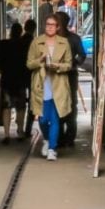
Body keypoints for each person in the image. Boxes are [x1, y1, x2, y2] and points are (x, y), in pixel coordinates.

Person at [27, 13, 72, 161]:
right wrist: (40, 61)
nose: (50, 27)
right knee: (43, 119)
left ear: (58, 27)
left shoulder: (64, 43)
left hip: (58, 86)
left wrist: (57, 66)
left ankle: (52, 148)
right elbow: (29, 64)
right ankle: (46, 139)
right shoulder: (37, 42)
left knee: (55, 119)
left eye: (52, 25)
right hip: (41, 85)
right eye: (47, 25)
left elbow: (69, 65)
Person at [0, 22, 28, 145]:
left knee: (6, 107)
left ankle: (6, 134)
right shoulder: (24, 45)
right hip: (21, 80)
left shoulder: (3, 44)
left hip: (7, 79)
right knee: (21, 107)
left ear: (11, 32)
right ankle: (20, 131)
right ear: (21, 32)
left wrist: (1, 67)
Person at [56, 11, 86, 147]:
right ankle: (60, 135)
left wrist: (74, 65)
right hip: (56, 76)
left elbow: (82, 55)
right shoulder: (53, 38)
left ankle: (70, 135)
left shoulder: (74, 39)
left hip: (69, 75)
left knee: (71, 104)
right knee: (57, 105)